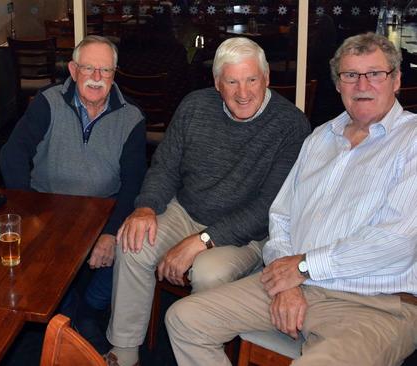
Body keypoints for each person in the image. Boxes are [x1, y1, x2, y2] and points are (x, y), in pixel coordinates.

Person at [165, 32, 417, 366]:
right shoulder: (319, 139)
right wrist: (287, 282)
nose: (362, 84)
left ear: (396, 79)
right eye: (350, 75)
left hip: (374, 305)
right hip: (296, 284)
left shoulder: (411, 142)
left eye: (374, 74)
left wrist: (301, 267)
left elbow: (393, 243)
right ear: (338, 84)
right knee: (184, 319)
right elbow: (281, 216)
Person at [105, 37, 311, 366]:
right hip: (188, 210)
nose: (243, 93)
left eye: (251, 80)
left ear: (267, 77)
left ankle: (196, 346)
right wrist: (145, 207)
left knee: (207, 272)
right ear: (217, 83)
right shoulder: (194, 106)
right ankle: (124, 352)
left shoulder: (290, 125)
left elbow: (267, 210)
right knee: (133, 242)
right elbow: (165, 168)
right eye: (232, 81)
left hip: (248, 234)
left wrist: (201, 241)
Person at [0, 35, 147, 350]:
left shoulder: (131, 117)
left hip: (102, 210)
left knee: (137, 246)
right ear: (73, 69)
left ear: (114, 74)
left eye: (105, 71)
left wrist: (109, 233)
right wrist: (30, 210)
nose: (96, 78)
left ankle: (89, 307)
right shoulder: (48, 102)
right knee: (42, 260)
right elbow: (11, 155)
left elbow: (134, 182)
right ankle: (68, 315)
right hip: (49, 206)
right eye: (88, 68)